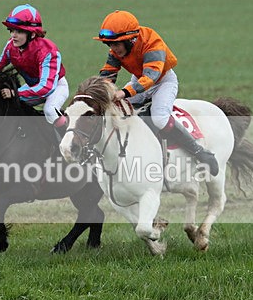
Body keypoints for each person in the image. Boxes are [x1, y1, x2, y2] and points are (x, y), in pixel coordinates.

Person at [94, 10, 219, 176]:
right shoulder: (116, 50)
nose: (113, 48)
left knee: (160, 119)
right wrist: (100, 90)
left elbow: (150, 78)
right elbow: (108, 73)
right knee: (118, 110)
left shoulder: (153, 44)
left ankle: (199, 152)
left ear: (131, 39)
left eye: (117, 43)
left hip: (162, 81)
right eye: (109, 44)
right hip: (139, 79)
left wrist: (124, 92)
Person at [0, 4, 69, 128]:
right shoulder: (10, 47)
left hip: (55, 88)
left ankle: (69, 141)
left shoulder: (48, 51)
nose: (13, 35)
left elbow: (46, 87)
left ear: (33, 34)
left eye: (18, 31)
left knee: (50, 111)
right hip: (32, 88)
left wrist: (15, 93)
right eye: (11, 30)